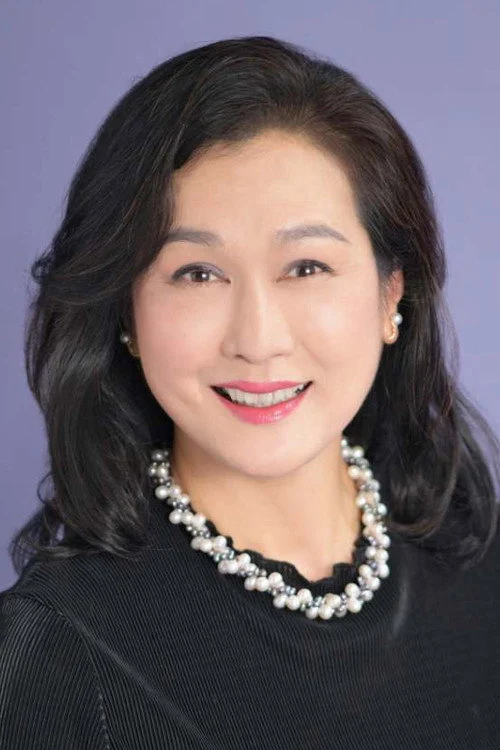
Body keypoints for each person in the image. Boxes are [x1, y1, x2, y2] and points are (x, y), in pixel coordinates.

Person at [1, 34, 499, 749]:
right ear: (125, 314)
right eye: (198, 274)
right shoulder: (56, 654)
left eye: (306, 267)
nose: (258, 340)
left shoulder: (481, 569)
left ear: (392, 294)